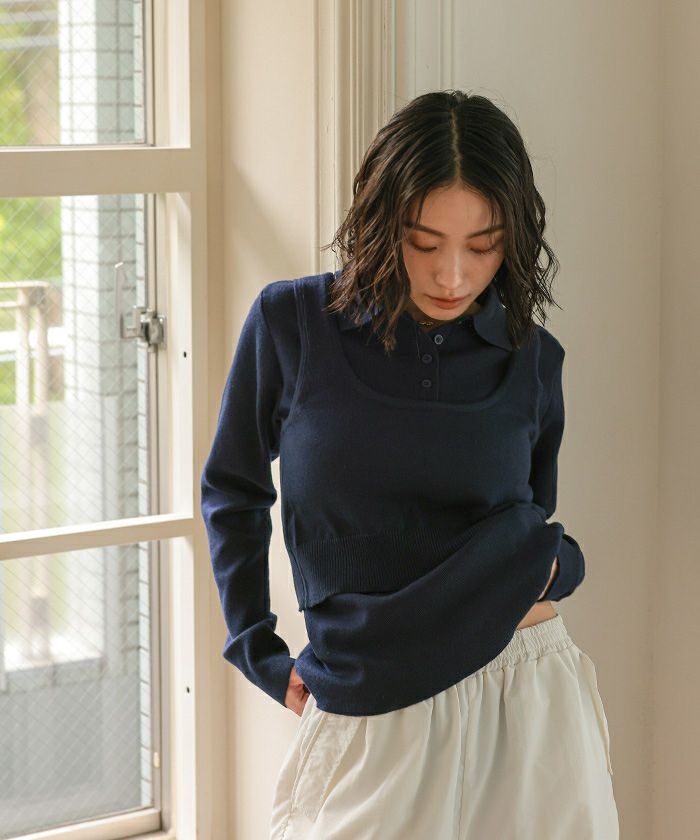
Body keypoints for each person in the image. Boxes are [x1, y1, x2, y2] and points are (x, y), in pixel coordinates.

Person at [200, 90, 620, 839]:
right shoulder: (292, 325)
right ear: (380, 222)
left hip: (526, 695)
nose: (452, 275)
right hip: (369, 700)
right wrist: (254, 648)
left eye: (483, 246)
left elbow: (528, 526)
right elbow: (232, 490)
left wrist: (560, 564)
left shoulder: (532, 359)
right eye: (424, 243)